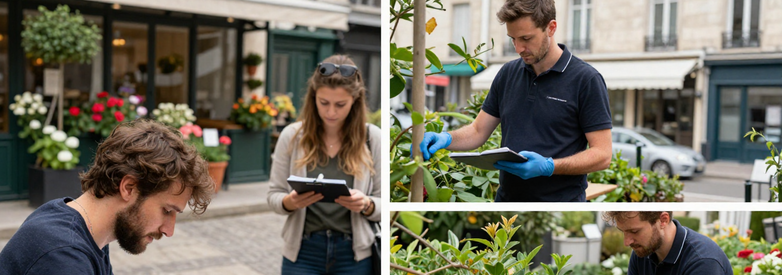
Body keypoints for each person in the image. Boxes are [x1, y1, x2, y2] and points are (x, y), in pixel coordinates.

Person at [416, 0, 612, 202]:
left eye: (526, 38)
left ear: (551, 28)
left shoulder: (586, 80)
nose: (519, 48)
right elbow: (477, 131)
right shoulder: (508, 73)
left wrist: (549, 166)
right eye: (513, 39)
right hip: (505, 202)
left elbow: (603, 155)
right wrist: (446, 138)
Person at [0, 119, 214, 275]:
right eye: (167, 210)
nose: (169, 230)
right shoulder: (63, 256)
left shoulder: (84, 230)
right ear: (129, 187)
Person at [267, 54, 380, 274]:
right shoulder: (292, 136)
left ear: (355, 100)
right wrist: (290, 202)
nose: (331, 112)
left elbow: (385, 203)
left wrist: (367, 204)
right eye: (324, 102)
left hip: (354, 255)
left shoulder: (372, 137)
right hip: (302, 252)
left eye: (340, 104)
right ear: (313, 97)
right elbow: (273, 195)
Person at [602, 211, 732, 274]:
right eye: (623, 231)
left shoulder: (703, 262)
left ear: (663, 220)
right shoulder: (642, 251)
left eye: (634, 231)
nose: (627, 242)